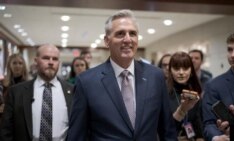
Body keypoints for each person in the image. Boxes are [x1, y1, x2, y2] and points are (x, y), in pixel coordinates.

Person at [67, 9, 177, 141]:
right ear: (107, 41)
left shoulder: (155, 76)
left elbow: (167, 131)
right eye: (120, 34)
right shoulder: (86, 82)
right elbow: (77, 135)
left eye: (133, 33)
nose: (128, 39)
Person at [0, 44, 73, 141]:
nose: (51, 62)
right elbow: (6, 130)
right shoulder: (17, 92)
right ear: (36, 61)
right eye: (46, 58)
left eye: (55, 59)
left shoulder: (72, 91)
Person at [202, 31, 234, 141]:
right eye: (230, 50)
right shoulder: (214, 86)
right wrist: (216, 137)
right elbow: (209, 124)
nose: (233, 55)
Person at [167, 51, 204, 141]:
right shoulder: (163, 92)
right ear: (170, 70)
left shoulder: (194, 91)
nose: (181, 72)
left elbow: (198, 124)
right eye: (176, 68)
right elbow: (163, 129)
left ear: (191, 70)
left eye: (185, 68)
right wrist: (181, 111)